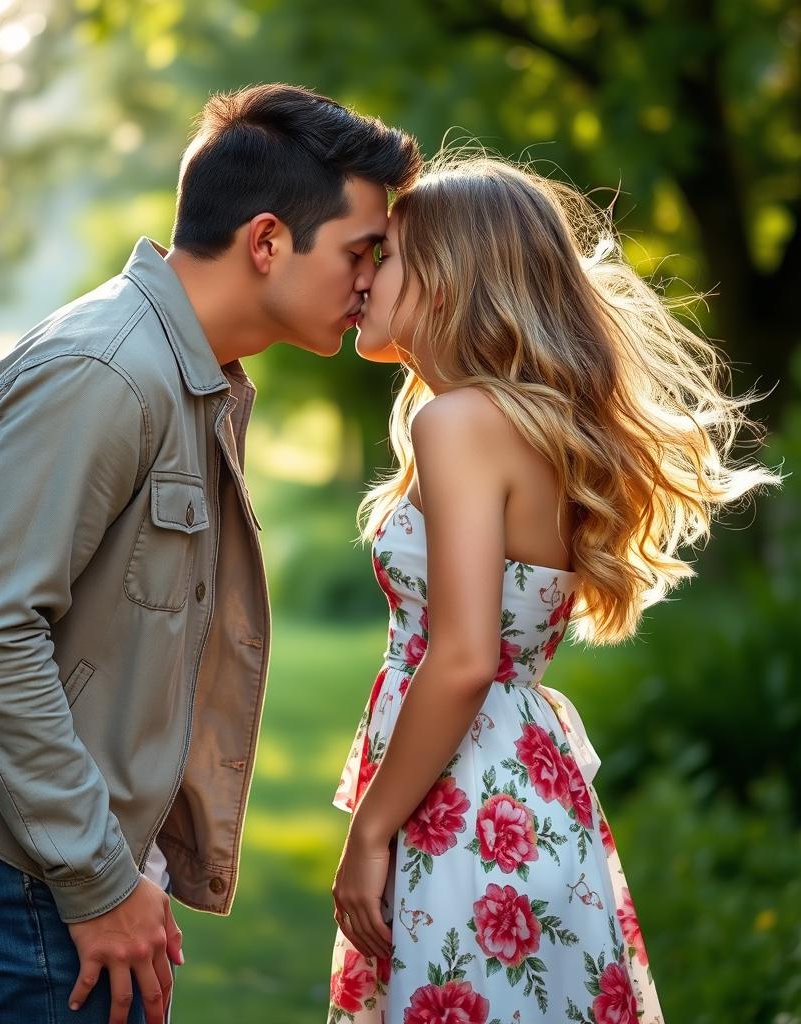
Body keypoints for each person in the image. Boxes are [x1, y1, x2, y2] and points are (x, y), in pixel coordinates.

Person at [0, 82, 421, 1024]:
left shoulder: (194, 378)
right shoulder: (107, 375)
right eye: (358, 251)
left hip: (61, 845)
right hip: (22, 862)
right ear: (267, 242)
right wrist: (97, 878)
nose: (370, 282)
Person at [326, 152, 778, 1024]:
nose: (362, 275)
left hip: (460, 794)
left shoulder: (456, 423)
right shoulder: (531, 423)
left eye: (384, 254)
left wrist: (370, 830)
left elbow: (462, 658)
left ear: (449, 279)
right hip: (529, 788)